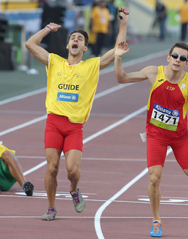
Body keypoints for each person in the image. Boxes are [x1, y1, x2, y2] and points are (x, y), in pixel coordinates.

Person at [24, 6, 129, 221]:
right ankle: (51, 208)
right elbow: (30, 44)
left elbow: (118, 48)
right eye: (73, 37)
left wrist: (124, 21)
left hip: (74, 127)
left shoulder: (91, 66)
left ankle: (74, 189)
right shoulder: (54, 62)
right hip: (53, 122)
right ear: (67, 45)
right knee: (51, 168)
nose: (75, 39)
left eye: (80, 38)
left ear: (84, 47)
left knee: (72, 170)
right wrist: (47, 29)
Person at [114, 41, 188, 237]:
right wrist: (117, 57)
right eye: (175, 56)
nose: (178, 60)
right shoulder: (153, 72)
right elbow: (121, 78)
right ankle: (156, 220)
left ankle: (179, 160)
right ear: (168, 57)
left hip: (180, 138)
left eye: (182, 58)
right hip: (156, 135)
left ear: (187, 63)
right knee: (154, 177)